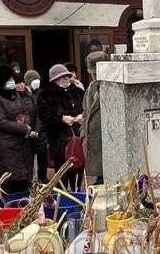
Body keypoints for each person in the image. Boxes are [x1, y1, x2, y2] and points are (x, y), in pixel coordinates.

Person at [0, 65, 36, 195]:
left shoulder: (14, 94)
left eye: (12, 78)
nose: (12, 82)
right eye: (9, 79)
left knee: (25, 182)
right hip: (7, 147)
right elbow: (0, 122)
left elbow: (25, 112)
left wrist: (26, 125)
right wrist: (23, 128)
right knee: (12, 184)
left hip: (23, 145)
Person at [38, 64, 84, 191]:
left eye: (67, 75)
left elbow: (87, 109)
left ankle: (77, 196)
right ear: (55, 79)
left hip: (77, 140)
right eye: (62, 76)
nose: (66, 78)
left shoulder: (78, 91)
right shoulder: (45, 95)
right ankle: (62, 199)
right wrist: (61, 118)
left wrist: (82, 116)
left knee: (77, 175)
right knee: (61, 178)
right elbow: (44, 115)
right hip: (58, 142)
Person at [81, 52, 108, 184]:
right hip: (93, 143)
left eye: (97, 73)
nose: (95, 76)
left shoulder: (112, 86)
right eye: (92, 73)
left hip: (107, 144)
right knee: (99, 180)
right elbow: (85, 113)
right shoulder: (90, 87)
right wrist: (83, 135)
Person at [24, 70, 48, 184]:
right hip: (27, 132)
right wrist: (29, 130)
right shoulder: (24, 95)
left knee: (42, 157)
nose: (36, 82)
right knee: (29, 158)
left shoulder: (42, 94)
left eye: (38, 79)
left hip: (41, 132)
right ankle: (30, 179)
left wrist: (37, 130)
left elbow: (42, 113)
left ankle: (42, 177)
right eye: (34, 80)